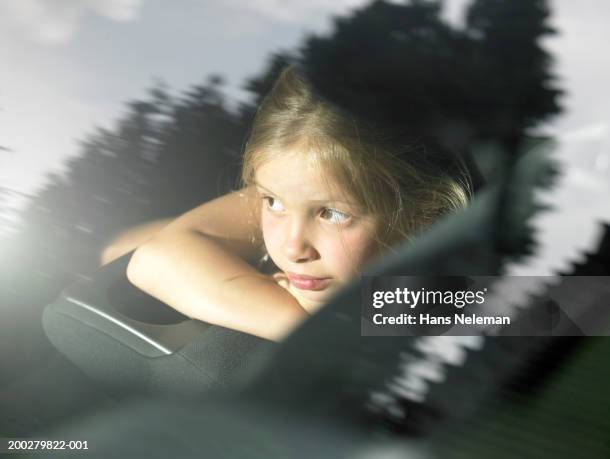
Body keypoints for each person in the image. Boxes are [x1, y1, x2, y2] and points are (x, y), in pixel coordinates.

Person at [107, 65, 473, 342]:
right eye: (272, 202)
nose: (292, 247)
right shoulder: (310, 180)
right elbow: (155, 258)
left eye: (332, 214)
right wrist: (302, 325)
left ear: (424, 212)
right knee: (119, 245)